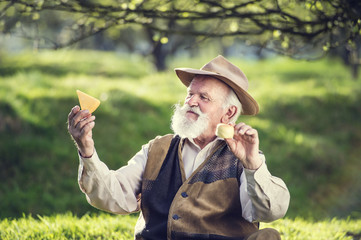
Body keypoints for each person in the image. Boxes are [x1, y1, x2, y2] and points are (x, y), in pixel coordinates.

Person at [68, 55, 290, 240]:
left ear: (229, 113)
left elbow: (270, 211)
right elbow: (111, 196)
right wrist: (86, 148)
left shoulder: (245, 158)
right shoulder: (157, 149)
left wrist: (253, 165)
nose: (191, 102)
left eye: (203, 97)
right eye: (190, 94)